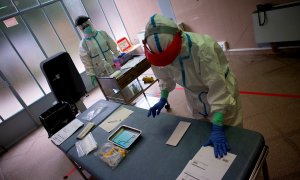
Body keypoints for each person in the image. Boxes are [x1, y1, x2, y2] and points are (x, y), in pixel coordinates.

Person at [143, 14, 242, 158]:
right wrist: (163, 97)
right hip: (194, 97)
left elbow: (217, 86)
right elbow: (164, 74)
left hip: (222, 92)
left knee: (233, 138)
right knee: (202, 134)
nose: (169, 62)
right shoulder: (154, 52)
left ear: (179, 36)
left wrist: (218, 124)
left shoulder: (202, 48)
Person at [75, 15, 120, 86]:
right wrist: (91, 75)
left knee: (122, 82)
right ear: (81, 29)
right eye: (84, 27)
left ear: (90, 23)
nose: (86, 28)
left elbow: (113, 46)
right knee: (111, 90)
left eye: (87, 25)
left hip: (113, 64)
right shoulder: (83, 44)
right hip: (101, 71)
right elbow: (86, 61)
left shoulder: (102, 33)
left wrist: (118, 57)